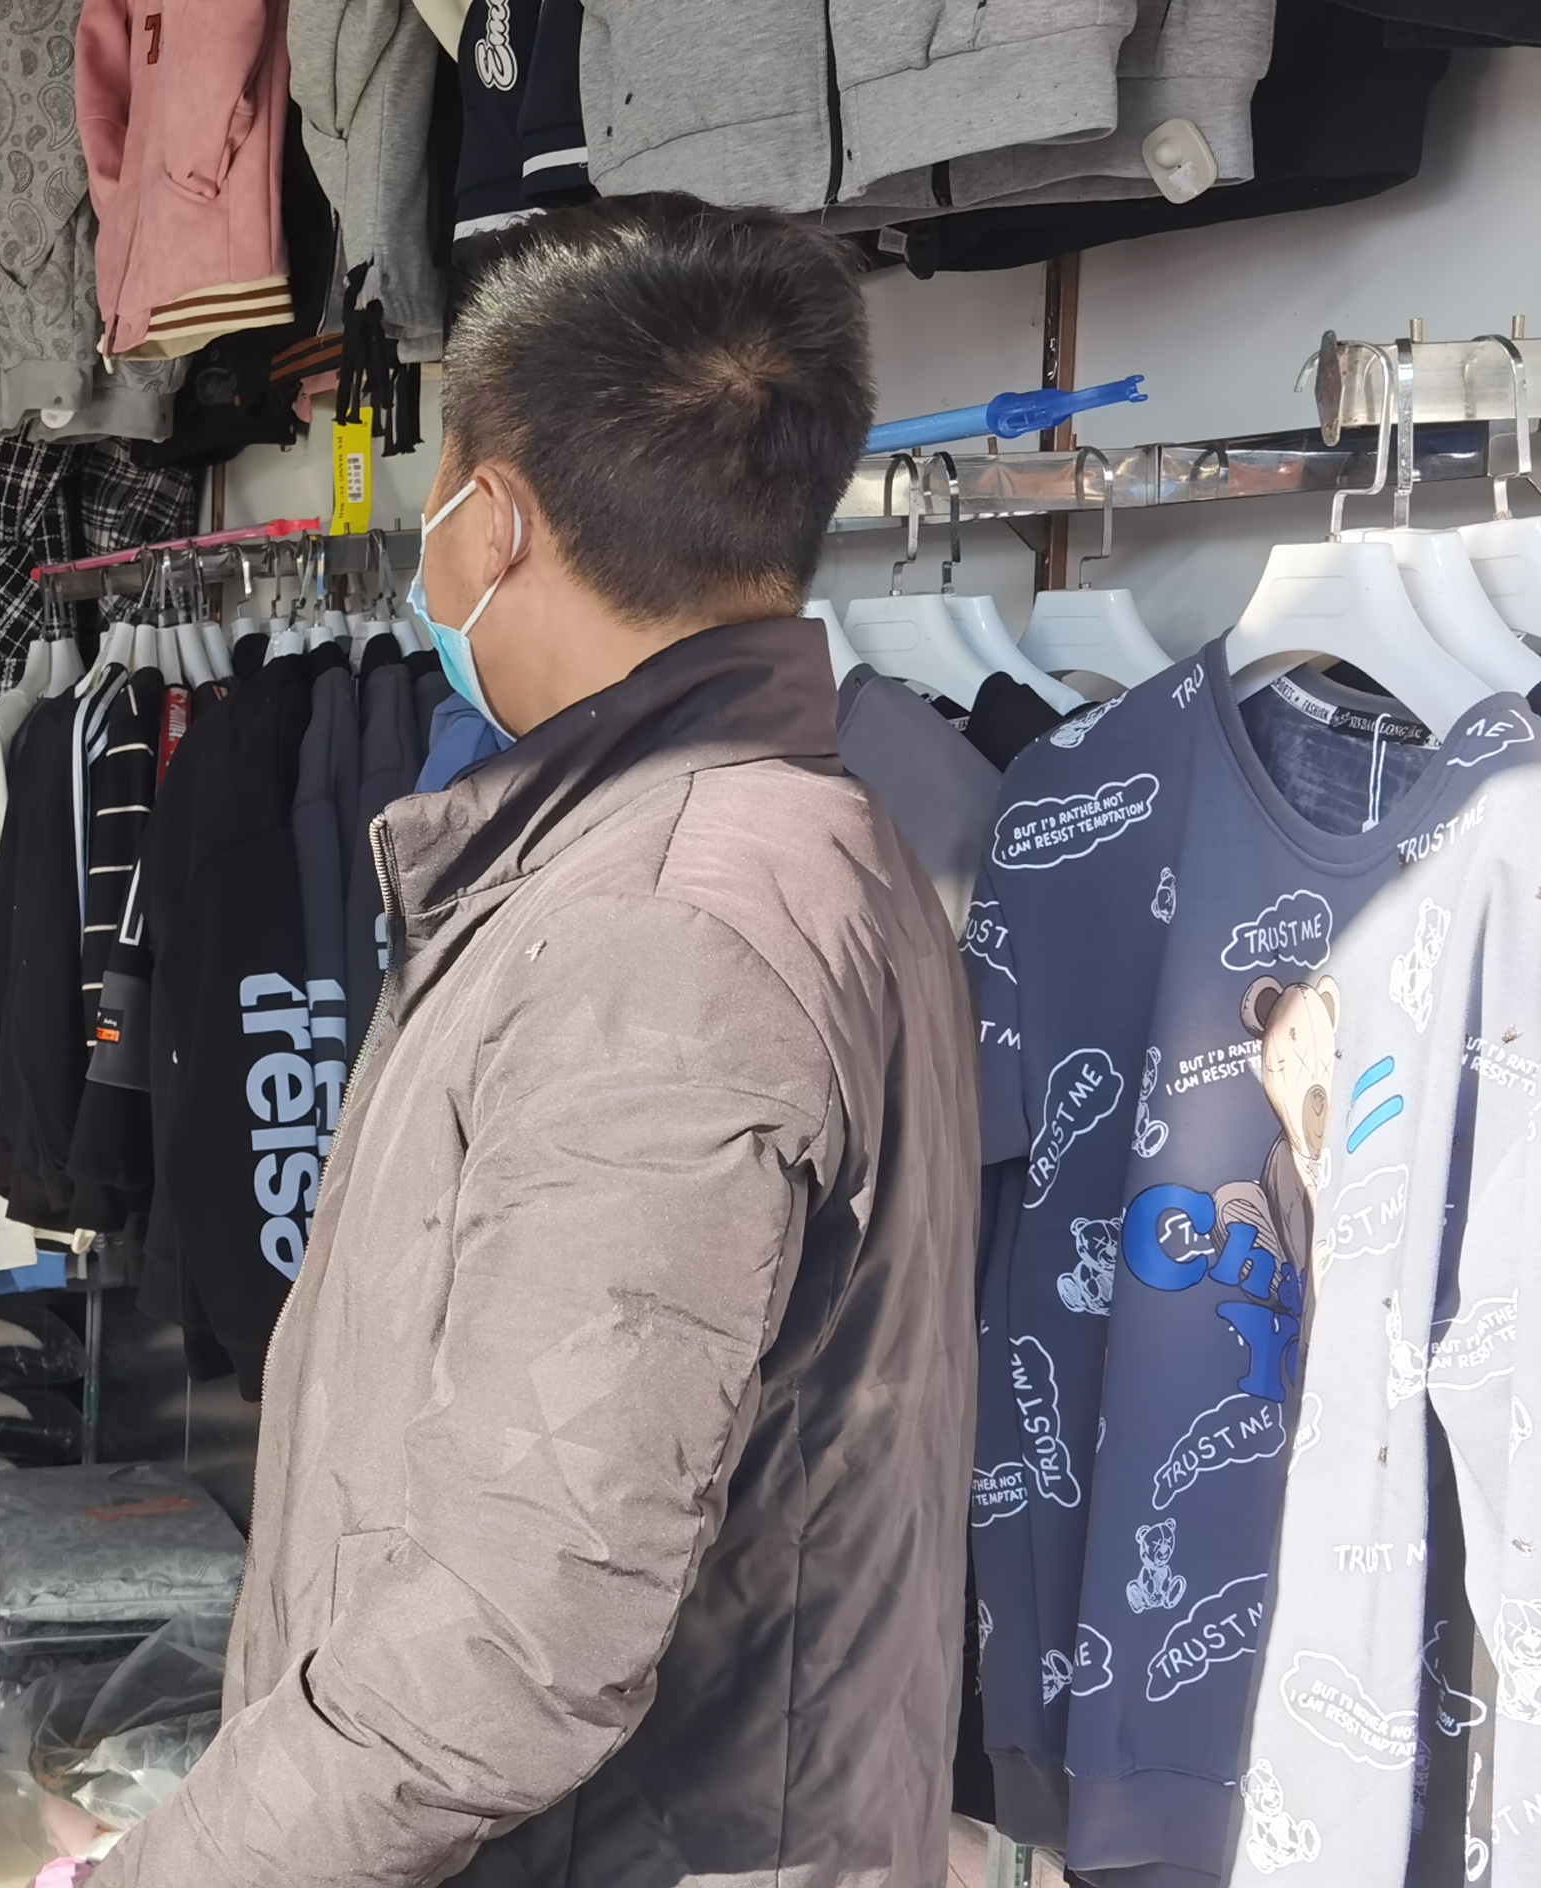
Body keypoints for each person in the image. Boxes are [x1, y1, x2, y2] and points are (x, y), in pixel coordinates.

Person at [80, 195, 980, 1887]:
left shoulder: (659, 932)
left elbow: (511, 1637)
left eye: (437, 488)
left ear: (487, 522)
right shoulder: (804, 833)